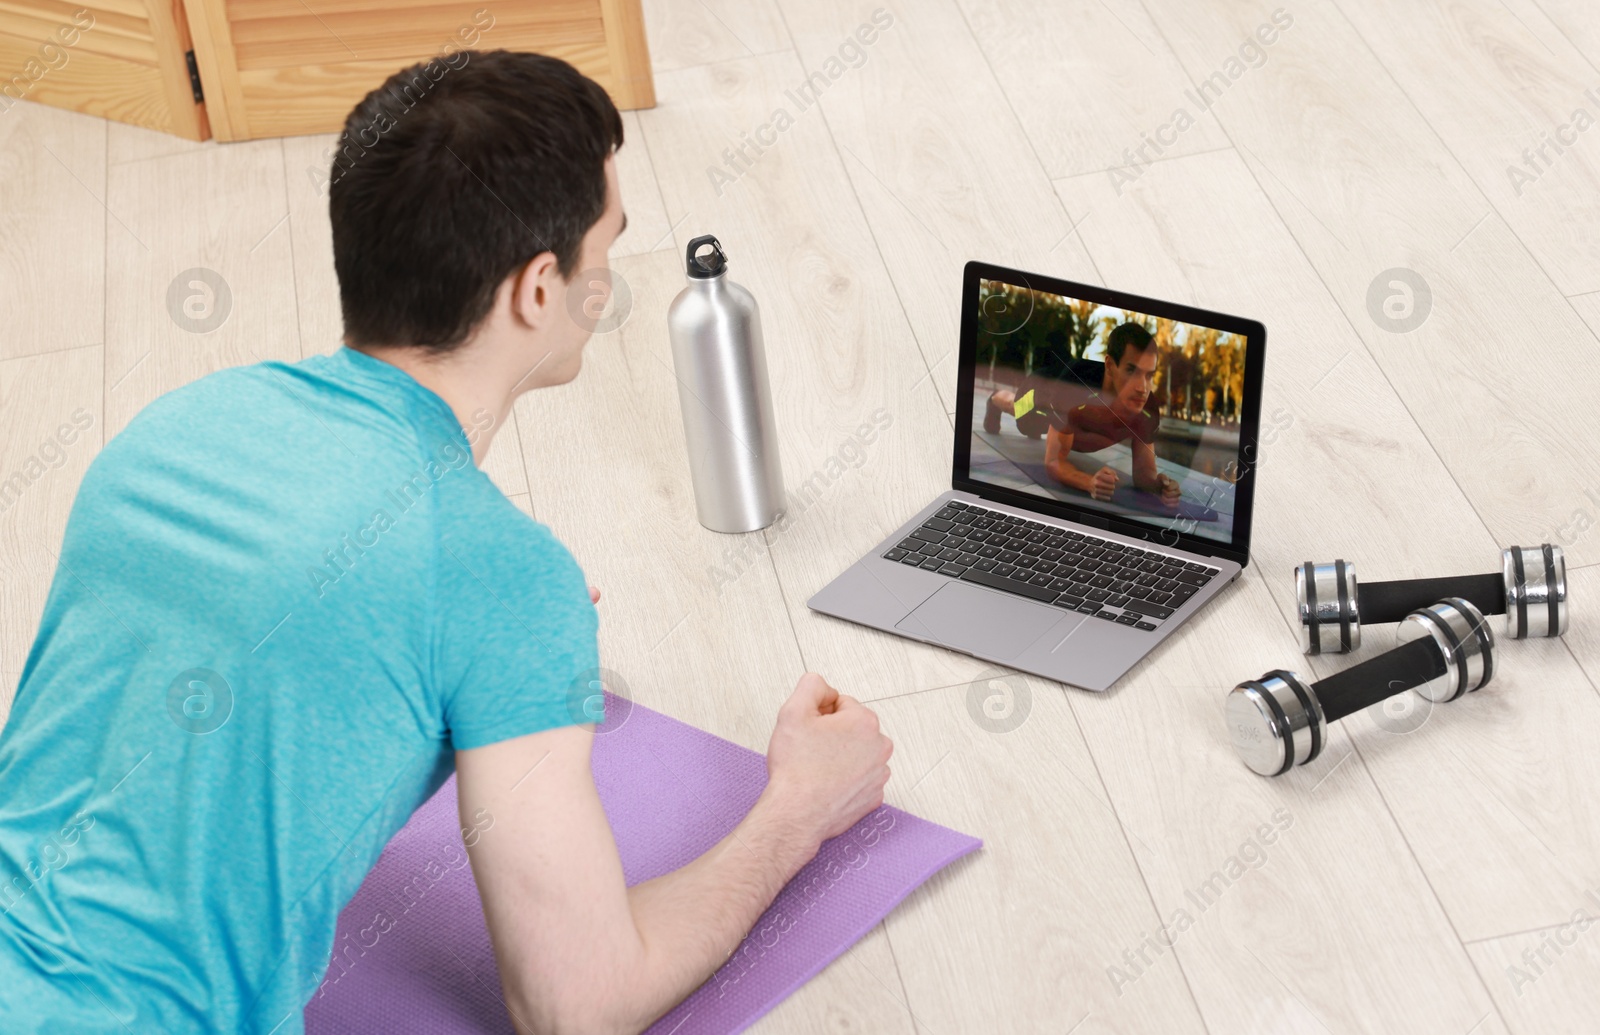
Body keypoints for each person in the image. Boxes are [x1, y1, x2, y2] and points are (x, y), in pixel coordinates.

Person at [0, 51, 893, 1035]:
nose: (609, 277)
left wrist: (482, 637)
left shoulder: (171, 426)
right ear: (536, 288)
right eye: (606, 246)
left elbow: (234, 684)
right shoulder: (487, 565)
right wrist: (798, 808)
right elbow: (577, 1004)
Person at [982, 322, 1181, 509]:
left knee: (1048, 429)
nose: (1142, 388)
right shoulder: (1074, 390)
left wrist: (1160, 486)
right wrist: (1089, 482)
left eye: (1149, 375)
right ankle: (994, 399)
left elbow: (1144, 474)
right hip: (1041, 391)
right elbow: (1053, 461)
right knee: (1019, 413)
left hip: (1068, 416)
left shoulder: (1147, 409)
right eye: (1132, 371)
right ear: (1110, 366)